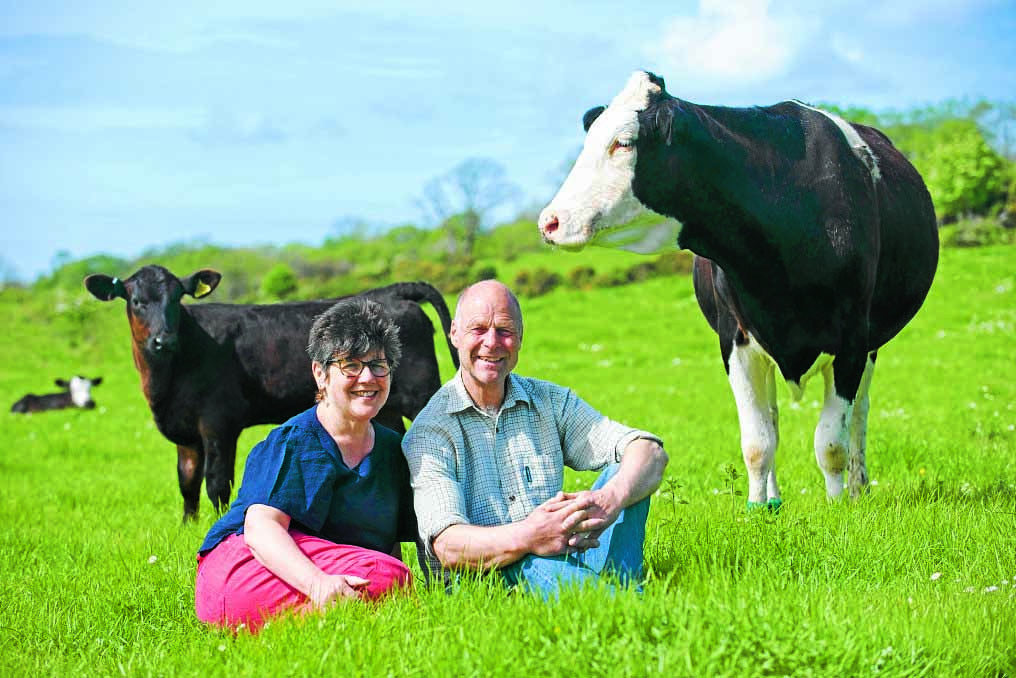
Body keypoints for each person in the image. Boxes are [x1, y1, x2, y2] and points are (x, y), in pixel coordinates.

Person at [402, 280, 668, 597]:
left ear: (520, 337)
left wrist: (610, 499)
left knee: (624, 473)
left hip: (554, 552)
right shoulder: (430, 431)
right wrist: (530, 536)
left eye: (504, 330)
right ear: (455, 334)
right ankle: (626, 606)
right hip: (482, 579)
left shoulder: (549, 401)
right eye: (478, 330)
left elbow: (651, 451)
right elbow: (447, 545)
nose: (492, 342)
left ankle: (615, 589)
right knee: (532, 563)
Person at [195, 298, 416, 632]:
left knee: (387, 575)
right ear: (320, 374)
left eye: (378, 365)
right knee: (391, 578)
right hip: (244, 565)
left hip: (315, 566)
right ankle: (307, 618)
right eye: (351, 366)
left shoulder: (391, 449)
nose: (368, 377)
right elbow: (261, 528)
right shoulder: (294, 441)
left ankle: (289, 630)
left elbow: (385, 545)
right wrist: (319, 585)